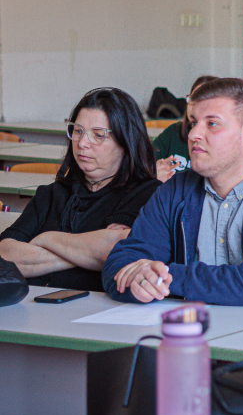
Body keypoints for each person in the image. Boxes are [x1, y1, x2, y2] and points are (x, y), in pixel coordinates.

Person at [102, 78, 243, 309]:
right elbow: (120, 264)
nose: (193, 134)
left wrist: (167, 277)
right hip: (199, 326)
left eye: (212, 124)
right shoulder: (175, 190)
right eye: (193, 122)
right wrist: (139, 283)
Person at [0, 88, 160, 292]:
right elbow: (5, 255)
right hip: (35, 306)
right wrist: (88, 252)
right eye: (78, 131)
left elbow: (118, 249)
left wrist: (47, 239)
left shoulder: (147, 194)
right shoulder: (51, 194)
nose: (83, 143)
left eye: (98, 135)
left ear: (126, 141)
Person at [153, 75, 217, 182]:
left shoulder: (220, 140)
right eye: (193, 99)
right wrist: (154, 175)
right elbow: (144, 167)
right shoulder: (173, 132)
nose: (196, 106)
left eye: (205, 100)